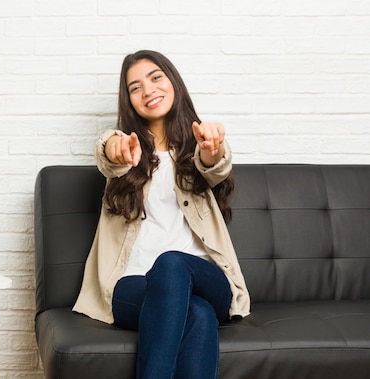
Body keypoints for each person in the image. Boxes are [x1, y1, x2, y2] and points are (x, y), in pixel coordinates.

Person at [72, 50, 251, 379]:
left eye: (155, 78)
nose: (148, 90)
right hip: (133, 285)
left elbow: (215, 166)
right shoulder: (126, 149)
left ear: (173, 82)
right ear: (129, 101)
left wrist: (213, 150)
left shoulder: (199, 149)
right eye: (135, 87)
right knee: (196, 313)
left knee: (172, 262)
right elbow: (109, 152)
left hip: (205, 279)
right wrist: (116, 147)